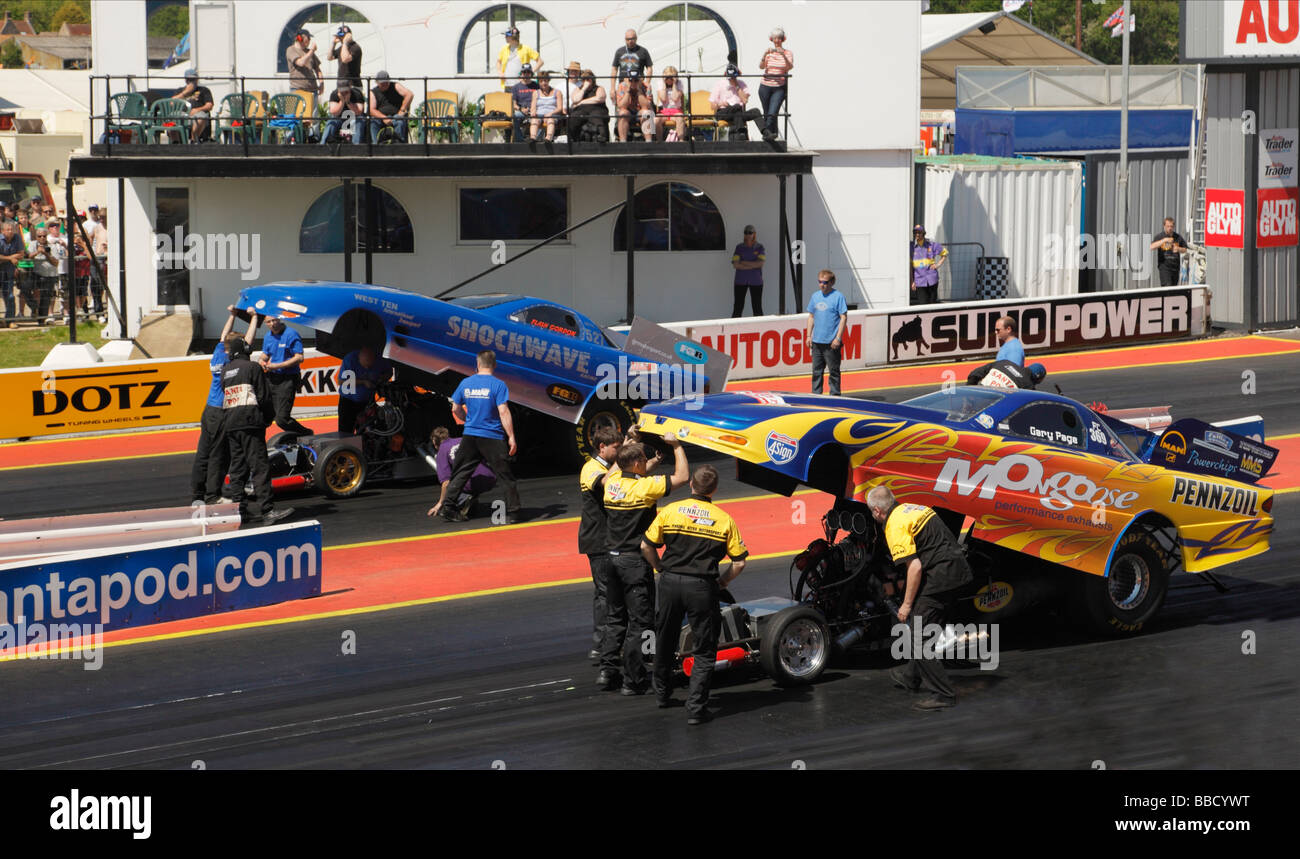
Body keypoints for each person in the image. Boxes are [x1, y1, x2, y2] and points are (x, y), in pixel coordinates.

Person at [642, 464, 748, 725]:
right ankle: (696, 709)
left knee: (665, 640)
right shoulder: (723, 519)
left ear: (691, 485)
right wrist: (722, 582)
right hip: (702, 586)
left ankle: (663, 695)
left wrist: (658, 567)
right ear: (714, 489)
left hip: (669, 582)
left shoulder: (671, 510)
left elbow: (646, 545)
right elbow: (739, 562)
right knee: (703, 649)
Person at [866, 486, 973, 711]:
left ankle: (944, 694)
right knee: (922, 625)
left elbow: (914, 567)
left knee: (917, 636)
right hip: (956, 570)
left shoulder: (894, 526)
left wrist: (905, 604)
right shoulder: (912, 509)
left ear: (877, 511)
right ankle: (910, 676)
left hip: (942, 576)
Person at [601, 434, 689, 694]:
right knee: (640, 624)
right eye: (643, 460)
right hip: (634, 563)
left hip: (610, 559)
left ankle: (608, 671)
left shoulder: (612, 483)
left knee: (616, 618)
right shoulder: (645, 487)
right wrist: (676, 446)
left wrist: (632, 448)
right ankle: (634, 681)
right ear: (638, 463)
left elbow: (619, 472)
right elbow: (683, 476)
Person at [439, 350, 521, 524]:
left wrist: (466, 420)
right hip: (492, 436)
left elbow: (455, 408)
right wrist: (511, 437)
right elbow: (504, 411)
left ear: (476, 365)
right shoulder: (498, 385)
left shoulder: (465, 383)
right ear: (494, 365)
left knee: (461, 472)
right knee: (504, 475)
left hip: (470, 435)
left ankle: (448, 507)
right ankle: (513, 512)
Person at [221, 333, 293, 527]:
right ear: (245, 351)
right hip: (250, 422)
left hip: (231, 423)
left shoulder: (225, 371)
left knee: (237, 467)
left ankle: (239, 512)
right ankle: (268, 511)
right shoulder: (252, 367)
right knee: (259, 467)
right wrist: (268, 418)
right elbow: (264, 397)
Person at [193, 306, 256, 504]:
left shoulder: (219, 351)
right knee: (219, 455)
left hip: (209, 409)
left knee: (203, 453)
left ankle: (197, 494)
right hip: (222, 411)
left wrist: (232, 315)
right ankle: (213, 496)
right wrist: (254, 318)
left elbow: (223, 336)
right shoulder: (232, 360)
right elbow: (249, 341)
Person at [578, 425, 624, 677]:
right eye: (616, 449)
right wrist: (621, 459)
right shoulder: (591, 468)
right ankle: (602, 645)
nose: (618, 453)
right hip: (598, 541)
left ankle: (604, 643)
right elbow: (605, 483)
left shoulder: (605, 464)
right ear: (602, 447)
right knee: (606, 593)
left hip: (604, 539)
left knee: (606, 592)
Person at [426, 426, 497, 521]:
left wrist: (440, 504)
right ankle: (471, 497)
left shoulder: (442, 451)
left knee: (454, 485)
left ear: (435, 442)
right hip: (490, 478)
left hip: (472, 482)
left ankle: (464, 500)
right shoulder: (463, 440)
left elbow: (446, 483)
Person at [258, 314, 311, 436]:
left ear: (279, 319)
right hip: (271, 378)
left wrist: (278, 365)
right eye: (268, 322)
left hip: (287, 378)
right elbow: (265, 354)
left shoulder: (291, 334)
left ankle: (306, 433)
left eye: (274, 320)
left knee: (282, 419)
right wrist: (261, 360)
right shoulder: (268, 336)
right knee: (263, 414)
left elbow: (299, 357)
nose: (272, 324)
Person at [806, 269, 847, 395]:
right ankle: (816, 396)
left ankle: (835, 397)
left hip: (831, 343)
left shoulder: (838, 297)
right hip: (817, 342)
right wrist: (808, 336)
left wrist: (838, 338)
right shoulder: (815, 296)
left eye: (825, 282)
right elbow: (811, 316)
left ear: (832, 282)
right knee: (816, 372)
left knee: (834, 372)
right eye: (820, 282)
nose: (822, 285)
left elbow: (843, 317)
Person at [337, 345, 393, 434]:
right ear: (359, 359)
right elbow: (341, 381)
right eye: (365, 366)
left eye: (370, 366)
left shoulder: (381, 360)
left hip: (368, 402)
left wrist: (381, 378)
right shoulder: (350, 360)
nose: (367, 368)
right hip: (348, 401)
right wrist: (363, 382)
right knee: (346, 432)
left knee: (368, 432)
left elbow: (389, 372)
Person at [757, 26, 793, 141]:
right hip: (765, 86)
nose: (777, 41)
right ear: (771, 40)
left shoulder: (788, 53)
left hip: (779, 87)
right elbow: (761, 67)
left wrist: (782, 54)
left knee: (773, 112)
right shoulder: (769, 53)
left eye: (779, 38)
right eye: (774, 38)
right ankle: (772, 134)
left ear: (783, 39)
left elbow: (789, 67)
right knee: (767, 112)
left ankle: (766, 134)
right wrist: (764, 55)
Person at [709, 64, 762, 140]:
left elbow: (744, 100)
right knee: (737, 107)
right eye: (730, 78)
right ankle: (741, 132)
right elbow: (712, 106)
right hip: (723, 112)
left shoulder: (741, 84)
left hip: (738, 112)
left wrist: (737, 86)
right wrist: (721, 104)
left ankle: (766, 133)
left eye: (734, 77)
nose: (732, 79)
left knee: (755, 111)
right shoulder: (719, 84)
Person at [368, 70, 413, 144]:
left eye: (386, 82)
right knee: (373, 122)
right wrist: (384, 118)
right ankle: (376, 146)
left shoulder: (395, 86)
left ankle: (398, 146)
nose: (385, 84)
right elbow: (371, 110)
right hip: (381, 117)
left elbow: (409, 94)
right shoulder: (373, 92)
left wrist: (402, 110)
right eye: (382, 83)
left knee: (399, 121)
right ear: (377, 82)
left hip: (396, 116)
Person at [286, 29, 323, 114]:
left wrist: (321, 83)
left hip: (312, 89)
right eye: (308, 38)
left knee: (314, 117)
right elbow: (301, 62)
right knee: (296, 115)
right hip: (297, 88)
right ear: (300, 38)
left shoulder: (309, 51)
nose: (310, 40)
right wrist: (312, 51)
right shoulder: (291, 50)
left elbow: (317, 69)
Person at [731, 225, 766, 317]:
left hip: (756, 281)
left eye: (750, 232)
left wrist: (742, 262)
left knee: (757, 308)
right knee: (737, 308)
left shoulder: (760, 247)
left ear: (754, 234)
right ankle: (734, 329)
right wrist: (753, 265)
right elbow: (735, 264)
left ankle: (760, 329)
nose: (748, 235)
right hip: (740, 281)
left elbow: (760, 264)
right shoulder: (739, 247)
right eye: (746, 232)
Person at [567, 69, 609, 142]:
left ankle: (602, 136)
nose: (586, 81)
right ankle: (573, 138)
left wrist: (582, 102)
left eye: (588, 79)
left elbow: (600, 98)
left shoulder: (599, 88)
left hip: (597, 109)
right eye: (583, 79)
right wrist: (584, 88)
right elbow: (575, 100)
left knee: (596, 116)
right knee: (574, 117)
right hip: (582, 111)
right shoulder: (578, 89)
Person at [172, 69, 214, 142]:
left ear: (197, 80)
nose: (191, 82)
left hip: (197, 114)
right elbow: (171, 103)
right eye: (189, 80)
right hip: (182, 114)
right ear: (185, 80)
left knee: (201, 117)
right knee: (171, 118)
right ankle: (177, 142)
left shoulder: (204, 90)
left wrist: (197, 110)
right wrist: (185, 93)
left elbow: (209, 105)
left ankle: (193, 140)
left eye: (193, 79)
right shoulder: (180, 91)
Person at [609, 29, 653, 100]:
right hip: (623, 85)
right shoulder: (619, 51)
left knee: (642, 105)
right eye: (628, 39)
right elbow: (614, 69)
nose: (630, 41)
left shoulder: (643, 51)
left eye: (632, 39)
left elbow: (649, 68)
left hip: (639, 84)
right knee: (622, 107)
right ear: (625, 39)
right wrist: (612, 88)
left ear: (636, 38)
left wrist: (647, 83)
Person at [614, 66, 654, 142]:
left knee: (646, 112)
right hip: (628, 112)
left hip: (640, 111)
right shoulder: (621, 86)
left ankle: (649, 141)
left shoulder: (646, 86)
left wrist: (639, 90)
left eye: (636, 80)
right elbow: (622, 106)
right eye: (631, 80)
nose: (633, 82)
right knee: (623, 113)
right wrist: (628, 91)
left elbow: (646, 106)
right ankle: (623, 142)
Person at [910, 224, 946, 305]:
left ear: (923, 233)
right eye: (915, 232)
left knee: (932, 304)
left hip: (932, 279)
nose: (917, 234)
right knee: (922, 304)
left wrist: (938, 265)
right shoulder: (911, 247)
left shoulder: (931, 245)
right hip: (919, 281)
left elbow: (944, 253)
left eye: (919, 232)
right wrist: (912, 281)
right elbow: (910, 266)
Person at [498, 25, 542, 90]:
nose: (505, 37)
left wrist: (530, 72)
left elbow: (540, 61)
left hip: (522, 84)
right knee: (508, 100)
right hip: (507, 84)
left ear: (513, 37)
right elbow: (498, 62)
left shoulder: (526, 48)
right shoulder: (504, 49)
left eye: (507, 36)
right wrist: (500, 72)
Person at [1149, 217, 1187, 287]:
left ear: (1174, 227)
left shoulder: (1178, 237)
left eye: (1171, 226)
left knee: (1173, 290)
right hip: (1164, 267)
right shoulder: (1160, 236)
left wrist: (1178, 249)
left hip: (1175, 267)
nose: (1170, 228)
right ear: (1164, 226)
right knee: (1167, 287)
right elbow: (1151, 247)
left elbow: (1185, 249)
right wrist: (1164, 240)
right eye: (1168, 226)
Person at [528, 70, 564, 142]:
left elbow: (560, 108)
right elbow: (533, 107)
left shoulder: (557, 92)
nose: (543, 83)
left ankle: (548, 138)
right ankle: (533, 138)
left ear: (548, 81)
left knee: (550, 120)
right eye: (541, 81)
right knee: (534, 120)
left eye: (545, 81)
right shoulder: (536, 93)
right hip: (539, 114)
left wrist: (551, 113)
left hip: (552, 113)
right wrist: (533, 111)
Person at [0, 219, 24, 326]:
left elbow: (21, 254)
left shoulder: (17, 238)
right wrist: (10, 258)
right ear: (2, 231)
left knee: (9, 296)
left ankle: (10, 320)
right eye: (8, 230)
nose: (10, 231)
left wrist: (6, 258)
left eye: (12, 230)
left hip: (8, 273)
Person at [509, 64, 539, 142]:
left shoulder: (536, 86)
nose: (526, 74)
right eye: (524, 72)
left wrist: (533, 109)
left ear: (531, 74)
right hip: (521, 110)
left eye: (528, 72)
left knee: (542, 116)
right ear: (521, 74)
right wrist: (521, 109)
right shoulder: (515, 87)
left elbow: (541, 100)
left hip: (534, 109)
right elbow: (514, 104)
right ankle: (520, 141)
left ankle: (536, 140)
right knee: (515, 116)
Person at [655, 66, 686, 141]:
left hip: (676, 111)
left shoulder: (679, 83)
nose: (669, 80)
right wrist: (665, 85)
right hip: (665, 111)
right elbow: (663, 99)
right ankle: (659, 142)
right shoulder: (661, 84)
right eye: (667, 78)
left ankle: (680, 141)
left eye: (671, 78)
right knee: (656, 120)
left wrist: (674, 84)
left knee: (680, 118)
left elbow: (675, 98)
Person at [328, 23, 362, 90]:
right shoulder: (342, 47)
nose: (340, 38)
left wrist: (345, 42)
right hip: (341, 83)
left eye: (341, 36)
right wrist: (333, 43)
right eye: (339, 36)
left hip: (353, 84)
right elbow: (329, 57)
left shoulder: (355, 47)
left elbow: (345, 59)